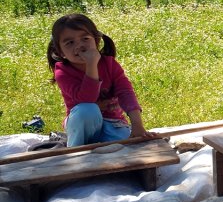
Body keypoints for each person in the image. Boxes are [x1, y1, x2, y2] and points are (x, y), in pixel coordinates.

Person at [47, 13, 152, 147]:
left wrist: (138, 126)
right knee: (88, 109)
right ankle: (76, 152)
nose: (79, 46)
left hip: (113, 123)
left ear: (96, 41)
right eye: (70, 42)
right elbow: (87, 99)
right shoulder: (62, 72)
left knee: (132, 146)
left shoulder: (109, 64)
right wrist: (91, 64)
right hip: (82, 125)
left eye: (85, 38)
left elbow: (126, 93)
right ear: (60, 52)